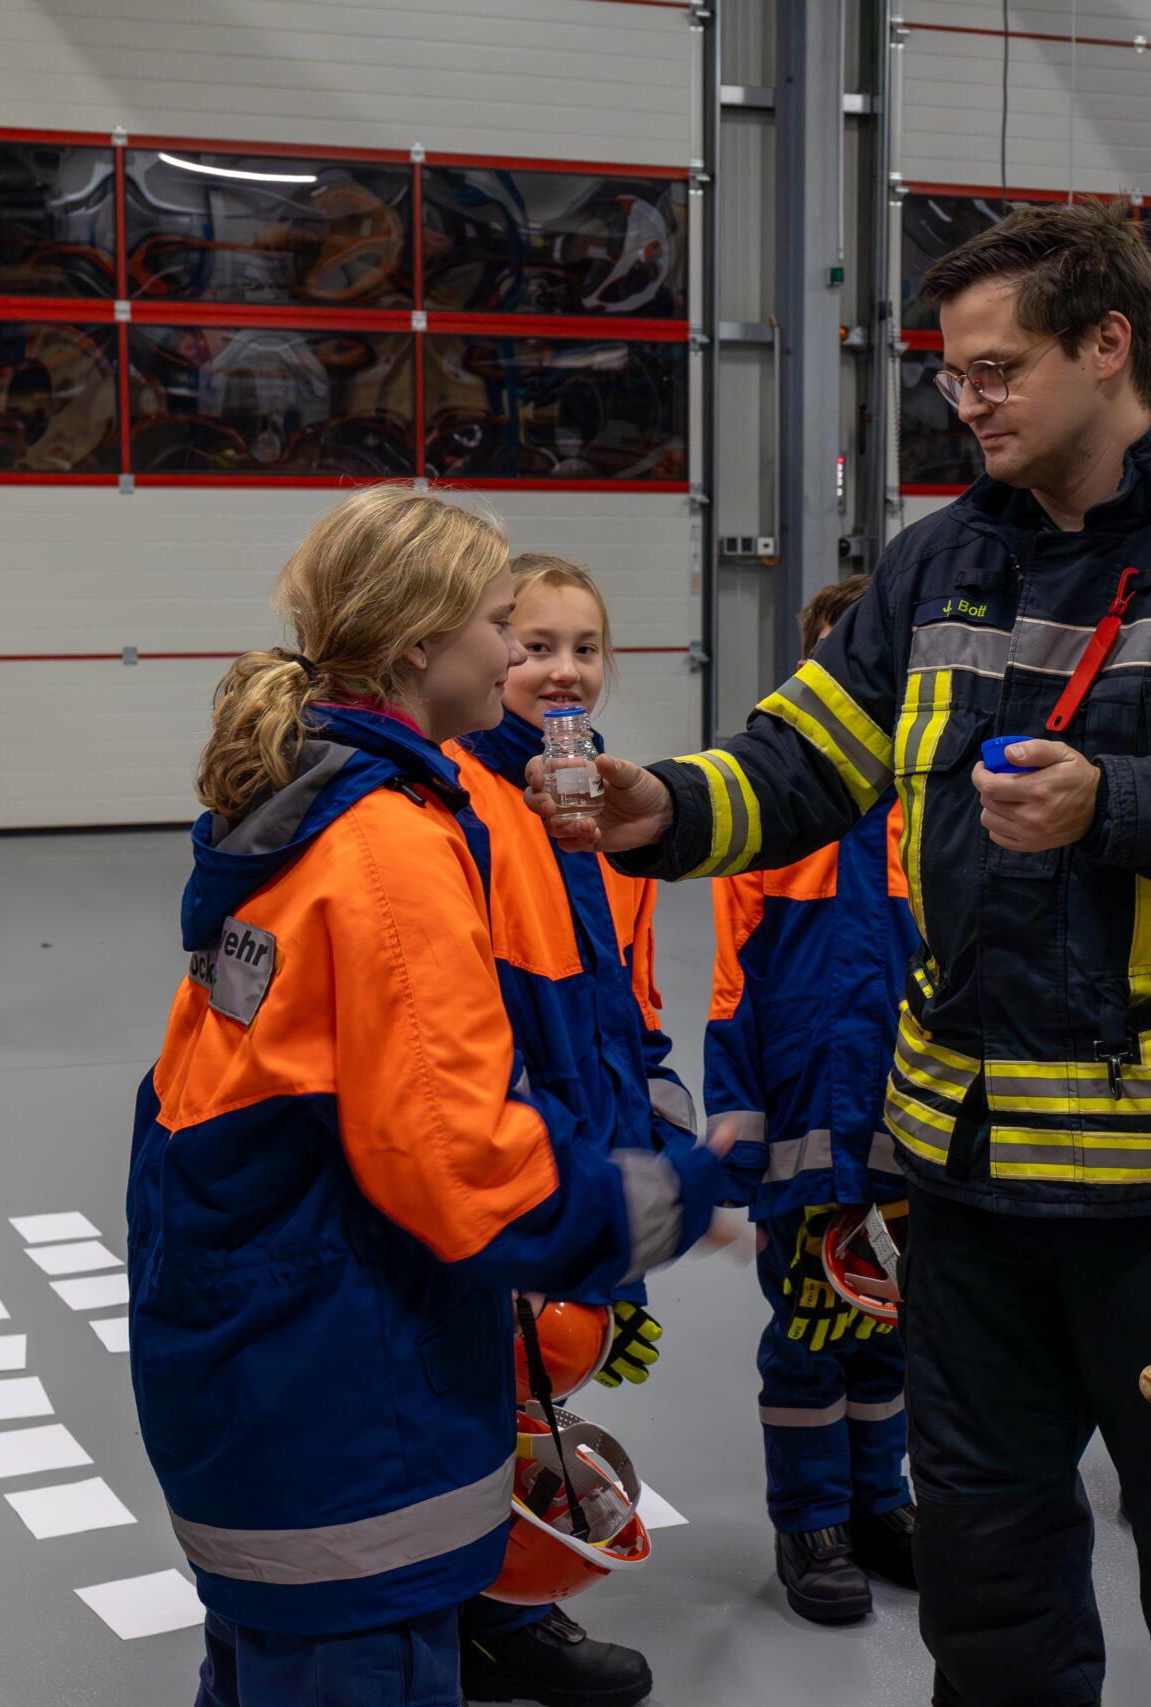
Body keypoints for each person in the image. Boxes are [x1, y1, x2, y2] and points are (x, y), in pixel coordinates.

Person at [523, 199, 1151, 1707]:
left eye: (997, 368)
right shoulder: (937, 561)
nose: (970, 401)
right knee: (989, 1580)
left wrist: (1117, 802)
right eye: (954, 374)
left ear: (1108, 344)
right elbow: (804, 757)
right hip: (966, 1185)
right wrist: (660, 804)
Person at [127, 487, 729, 1707]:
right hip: (349, 1387)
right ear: (418, 643)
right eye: (502, 624)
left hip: (260, 1352)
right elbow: (463, 1168)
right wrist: (670, 1194)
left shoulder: (308, 800)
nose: (517, 654)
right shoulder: (387, 848)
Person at [447, 552, 694, 1707]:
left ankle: (497, 1606)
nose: (560, 669)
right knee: (488, 1393)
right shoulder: (467, 796)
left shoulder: (598, 800)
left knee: (539, 1383)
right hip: (514, 1161)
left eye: (584, 649)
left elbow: (619, 997)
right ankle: (488, 1619)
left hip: (586, 1151)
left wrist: (654, 1117)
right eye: (534, 644)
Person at [703, 573, 919, 1626]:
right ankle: (812, 1521)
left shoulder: (934, 809)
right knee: (807, 1333)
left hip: (908, 1136)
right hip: (801, 1130)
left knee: (892, 1325)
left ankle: (881, 1502)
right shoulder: (774, 818)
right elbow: (730, 988)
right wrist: (738, 1138)